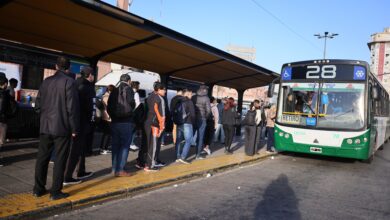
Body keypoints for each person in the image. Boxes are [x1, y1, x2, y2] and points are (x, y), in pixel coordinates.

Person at [33, 56, 79, 200]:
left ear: (55, 66)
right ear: (68, 67)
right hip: (62, 127)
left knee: (42, 158)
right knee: (60, 159)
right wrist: (74, 129)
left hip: (45, 126)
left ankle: (38, 189)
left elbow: (38, 105)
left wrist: (44, 116)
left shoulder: (46, 81)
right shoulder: (69, 82)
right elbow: (72, 109)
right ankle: (55, 192)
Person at [64, 66, 96, 185]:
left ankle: (81, 171)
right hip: (82, 123)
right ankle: (67, 176)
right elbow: (91, 108)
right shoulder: (88, 87)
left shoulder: (74, 83)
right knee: (75, 150)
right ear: (90, 75)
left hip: (70, 121)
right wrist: (92, 122)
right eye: (93, 75)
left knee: (78, 149)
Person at [107, 74, 136, 177]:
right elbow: (132, 103)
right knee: (124, 146)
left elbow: (108, 105)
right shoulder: (129, 89)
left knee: (115, 146)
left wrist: (113, 116)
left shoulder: (114, 90)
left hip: (114, 122)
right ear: (128, 81)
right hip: (126, 121)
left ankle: (114, 168)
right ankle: (120, 169)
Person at [144, 82, 166, 171]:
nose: (165, 91)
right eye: (163, 89)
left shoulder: (149, 97)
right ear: (159, 89)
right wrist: (162, 127)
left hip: (148, 123)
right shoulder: (160, 99)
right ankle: (150, 165)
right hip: (155, 125)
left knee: (149, 145)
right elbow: (161, 115)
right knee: (153, 146)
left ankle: (150, 162)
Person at [175, 89, 196, 164]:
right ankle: (183, 157)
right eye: (190, 94)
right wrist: (193, 122)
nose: (191, 96)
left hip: (179, 123)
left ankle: (177, 156)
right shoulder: (189, 102)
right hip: (187, 122)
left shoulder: (178, 100)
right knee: (188, 140)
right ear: (186, 94)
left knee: (178, 140)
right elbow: (193, 114)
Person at [192, 85, 211, 159]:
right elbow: (209, 111)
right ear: (205, 90)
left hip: (193, 119)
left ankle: (180, 154)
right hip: (202, 119)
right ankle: (197, 155)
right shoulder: (206, 98)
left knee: (189, 137)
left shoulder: (194, 97)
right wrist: (205, 117)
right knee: (200, 138)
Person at [100, 85, 114, 154]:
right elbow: (107, 107)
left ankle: (104, 148)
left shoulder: (104, 96)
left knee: (106, 133)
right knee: (107, 134)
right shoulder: (107, 97)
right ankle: (103, 149)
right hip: (107, 117)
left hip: (105, 116)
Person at [0, 74, 10, 167]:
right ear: (5, 84)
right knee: (1, 140)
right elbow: (2, 108)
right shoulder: (3, 94)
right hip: (1, 120)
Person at [129, 81, 141, 151]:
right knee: (133, 130)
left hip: (127, 113)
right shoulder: (135, 93)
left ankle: (128, 143)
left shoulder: (128, 91)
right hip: (133, 114)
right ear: (136, 86)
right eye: (138, 85)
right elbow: (138, 104)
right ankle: (132, 144)